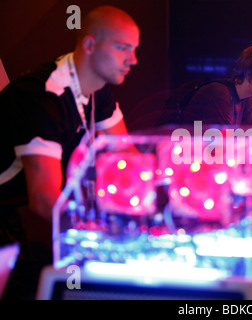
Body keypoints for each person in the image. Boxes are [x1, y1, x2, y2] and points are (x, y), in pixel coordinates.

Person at [0, 5, 139, 299]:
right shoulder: (45, 97)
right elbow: (44, 199)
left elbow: (126, 156)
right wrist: (103, 236)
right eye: (122, 48)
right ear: (89, 44)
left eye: (134, 49)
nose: (133, 60)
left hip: (7, 208)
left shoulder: (97, 88)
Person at [181, 44, 252, 125]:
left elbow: (244, 142)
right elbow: (221, 147)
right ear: (249, 73)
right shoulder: (219, 94)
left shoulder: (246, 100)